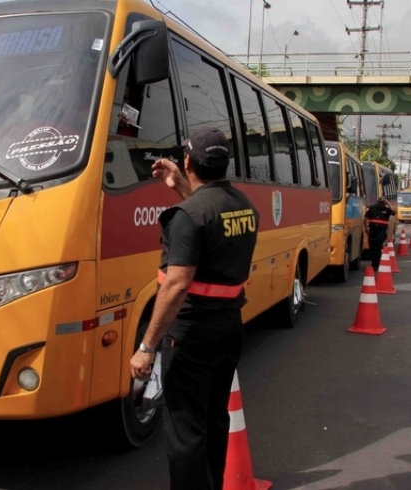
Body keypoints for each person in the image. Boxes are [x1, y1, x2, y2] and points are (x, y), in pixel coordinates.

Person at [129, 127, 259, 489]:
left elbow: (177, 284)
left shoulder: (187, 216)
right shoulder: (244, 206)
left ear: (188, 162)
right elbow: (211, 222)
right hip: (228, 329)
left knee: (186, 433)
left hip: (190, 339)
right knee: (214, 423)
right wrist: (183, 189)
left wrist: (146, 347)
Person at [363, 196, 396, 271]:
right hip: (372, 231)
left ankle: (376, 265)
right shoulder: (372, 208)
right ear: (378, 202)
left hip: (381, 232)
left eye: (383, 203)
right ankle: (374, 262)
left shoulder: (387, 210)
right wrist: (366, 228)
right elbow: (366, 218)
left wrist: (387, 202)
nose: (381, 204)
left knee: (378, 248)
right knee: (372, 248)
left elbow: (393, 212)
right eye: (380, 203)